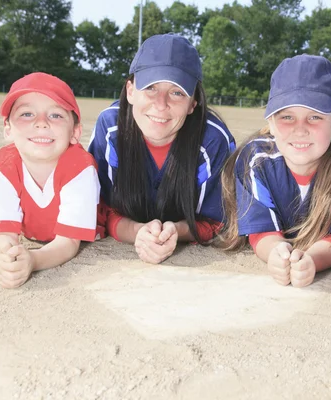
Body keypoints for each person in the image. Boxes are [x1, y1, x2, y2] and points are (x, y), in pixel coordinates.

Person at [220, 54, 331, 288]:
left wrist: (312, 260)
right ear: (271, 122)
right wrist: (276, 254)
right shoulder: (255, 159)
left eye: (314, 117)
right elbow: (262, 231)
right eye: (287, 117)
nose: (300, 130)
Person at [88, 34, 235, 264]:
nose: (160, 104)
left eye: (176, 92)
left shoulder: (213, 140)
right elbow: (99, 208)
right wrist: (136, 231)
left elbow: (217, 221)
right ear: (130, 91)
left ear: (193, 104)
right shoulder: (110, 128)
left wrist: (176, 231)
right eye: (150, 87)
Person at [0, 72, 102, 289]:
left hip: (84, 231)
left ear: (75, 132)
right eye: (26, 114)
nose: (41, 123)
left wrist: (33, 260)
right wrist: (4, 258)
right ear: (8, 128)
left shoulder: (80, 166)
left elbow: (68, 242)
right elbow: (3, 234)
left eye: (55, 115)